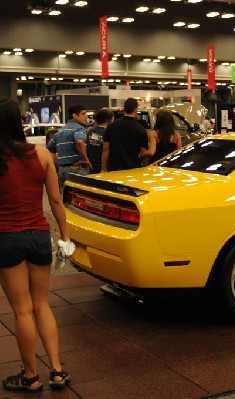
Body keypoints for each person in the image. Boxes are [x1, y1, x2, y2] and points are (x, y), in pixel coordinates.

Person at [0, 98, 71, 392]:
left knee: (22, 310)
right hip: (39, 236)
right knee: (42, 305)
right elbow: (56, 201)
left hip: (7, 238)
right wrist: (65, 238)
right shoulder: (42, 154)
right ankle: (56, 370)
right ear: (19, 121)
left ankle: (30, 376)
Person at [46, 104, 91, 192]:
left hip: (62, 171)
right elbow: (79, 141)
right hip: (76, 169)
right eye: (83, 114)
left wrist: (58, 166)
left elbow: (50, 149)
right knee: (79, 200)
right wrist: (86, 159)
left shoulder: (60, 131)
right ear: (75, 115)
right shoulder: (79, 129)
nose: (86, 117)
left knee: (64, 200)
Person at [101, 98, 149, 172]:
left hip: (114, 169)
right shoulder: (141, 129)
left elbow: (106, 149)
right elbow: (144, 153)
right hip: (134, 169)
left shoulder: (112, 126)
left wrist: (103, 169)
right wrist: (146, 169)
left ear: (124, 109)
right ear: (136, 109)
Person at [86, 108, 114, 174]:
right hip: (103, 166)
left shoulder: (90, 131)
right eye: (113, 119)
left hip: (91, 165)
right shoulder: (108, 132)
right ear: (108, 120)